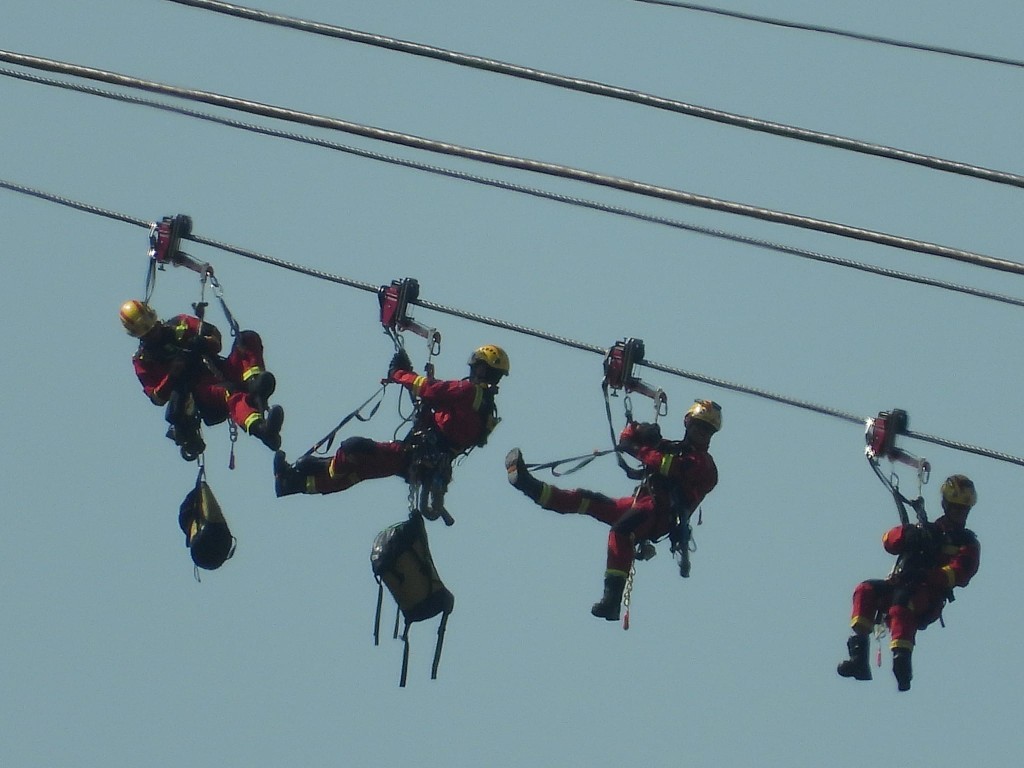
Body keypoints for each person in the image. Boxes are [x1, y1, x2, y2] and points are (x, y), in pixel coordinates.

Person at [505, 399, 721, 621]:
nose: (702, 433)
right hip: (642, 504)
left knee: (620, 531)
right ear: (688, 424)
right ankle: (527, 485)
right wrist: (639, 430)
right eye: (699, 426)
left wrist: (638, 447)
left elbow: (668, 466)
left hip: (660, 515)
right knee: (586, 500)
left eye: (707, 430)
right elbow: (626, 439)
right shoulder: (672, 448)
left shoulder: (704, 464)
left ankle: (612, 601)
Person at [273, 344, 509, 519]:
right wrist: (411, 376)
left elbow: (430, 389)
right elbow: (437, 407)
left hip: (413, 455)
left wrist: (398, 373)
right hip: (418, 461)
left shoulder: (468, 391)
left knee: (353, 449)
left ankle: (317, 470)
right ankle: (295, 482)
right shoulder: (484, 408)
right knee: (360, 469)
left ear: (481, 369)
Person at [837, 474, 980, 691]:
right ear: (945, 505)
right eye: (956, 508)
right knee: (865, 590)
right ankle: (858, 658)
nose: (960, 514)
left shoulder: (967, 542)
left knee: (901, 605)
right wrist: (907, 534)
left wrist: (928, 575)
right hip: (900, 585)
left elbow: (961, 572)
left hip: (928, 596)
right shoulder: (925, 530)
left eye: (964, 510)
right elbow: (889, 541)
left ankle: (902, 664)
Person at [120, 299, 284, 460]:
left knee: (247, 338)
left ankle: (255, 386)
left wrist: (203, 342)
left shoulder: (180, 323)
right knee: (230, 393)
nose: (153, 333)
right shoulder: (143, 360)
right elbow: (157, 398)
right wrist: (173, 374)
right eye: (147, 334)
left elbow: (215, 338)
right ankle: (261, 430)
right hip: (202, 391)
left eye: (153, 327)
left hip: (220, 369)